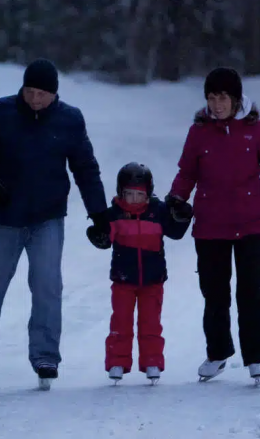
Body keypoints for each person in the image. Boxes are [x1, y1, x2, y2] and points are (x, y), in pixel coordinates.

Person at [0, 58, 107, 388]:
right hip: (3, 217)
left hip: (47, 218)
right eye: (30, 91)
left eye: (42, 94)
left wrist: (99, 214)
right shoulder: (1, 112)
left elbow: (85, 169)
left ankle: (45, 356)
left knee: (47, 287)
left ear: (54, 94)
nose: (35, 99)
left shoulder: (70, 119)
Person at [165, 67, 260, 384]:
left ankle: (256, 357)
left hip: (251, 222)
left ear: (236, 99)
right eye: (212, 98)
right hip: (210, 224)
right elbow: (187, 172)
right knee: (214, 293)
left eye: (223, 97)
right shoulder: (199, 132)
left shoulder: (256, 131)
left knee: (252, 291)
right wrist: (175, 198)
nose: (217, 104)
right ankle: (218, 353)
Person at [86, 163, 190, 384]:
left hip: (153, 280)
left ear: (148, 193)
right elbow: (106, 238)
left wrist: (183, 216)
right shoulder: (114, 213)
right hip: (123, 279)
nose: (134, 199)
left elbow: (175, 231)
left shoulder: (158, 211)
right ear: (120, 192)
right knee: (120, 322)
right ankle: (117, 361)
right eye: (129, 194)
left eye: (139, 195)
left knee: (151, 323)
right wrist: (99, 235)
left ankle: (152, 361)